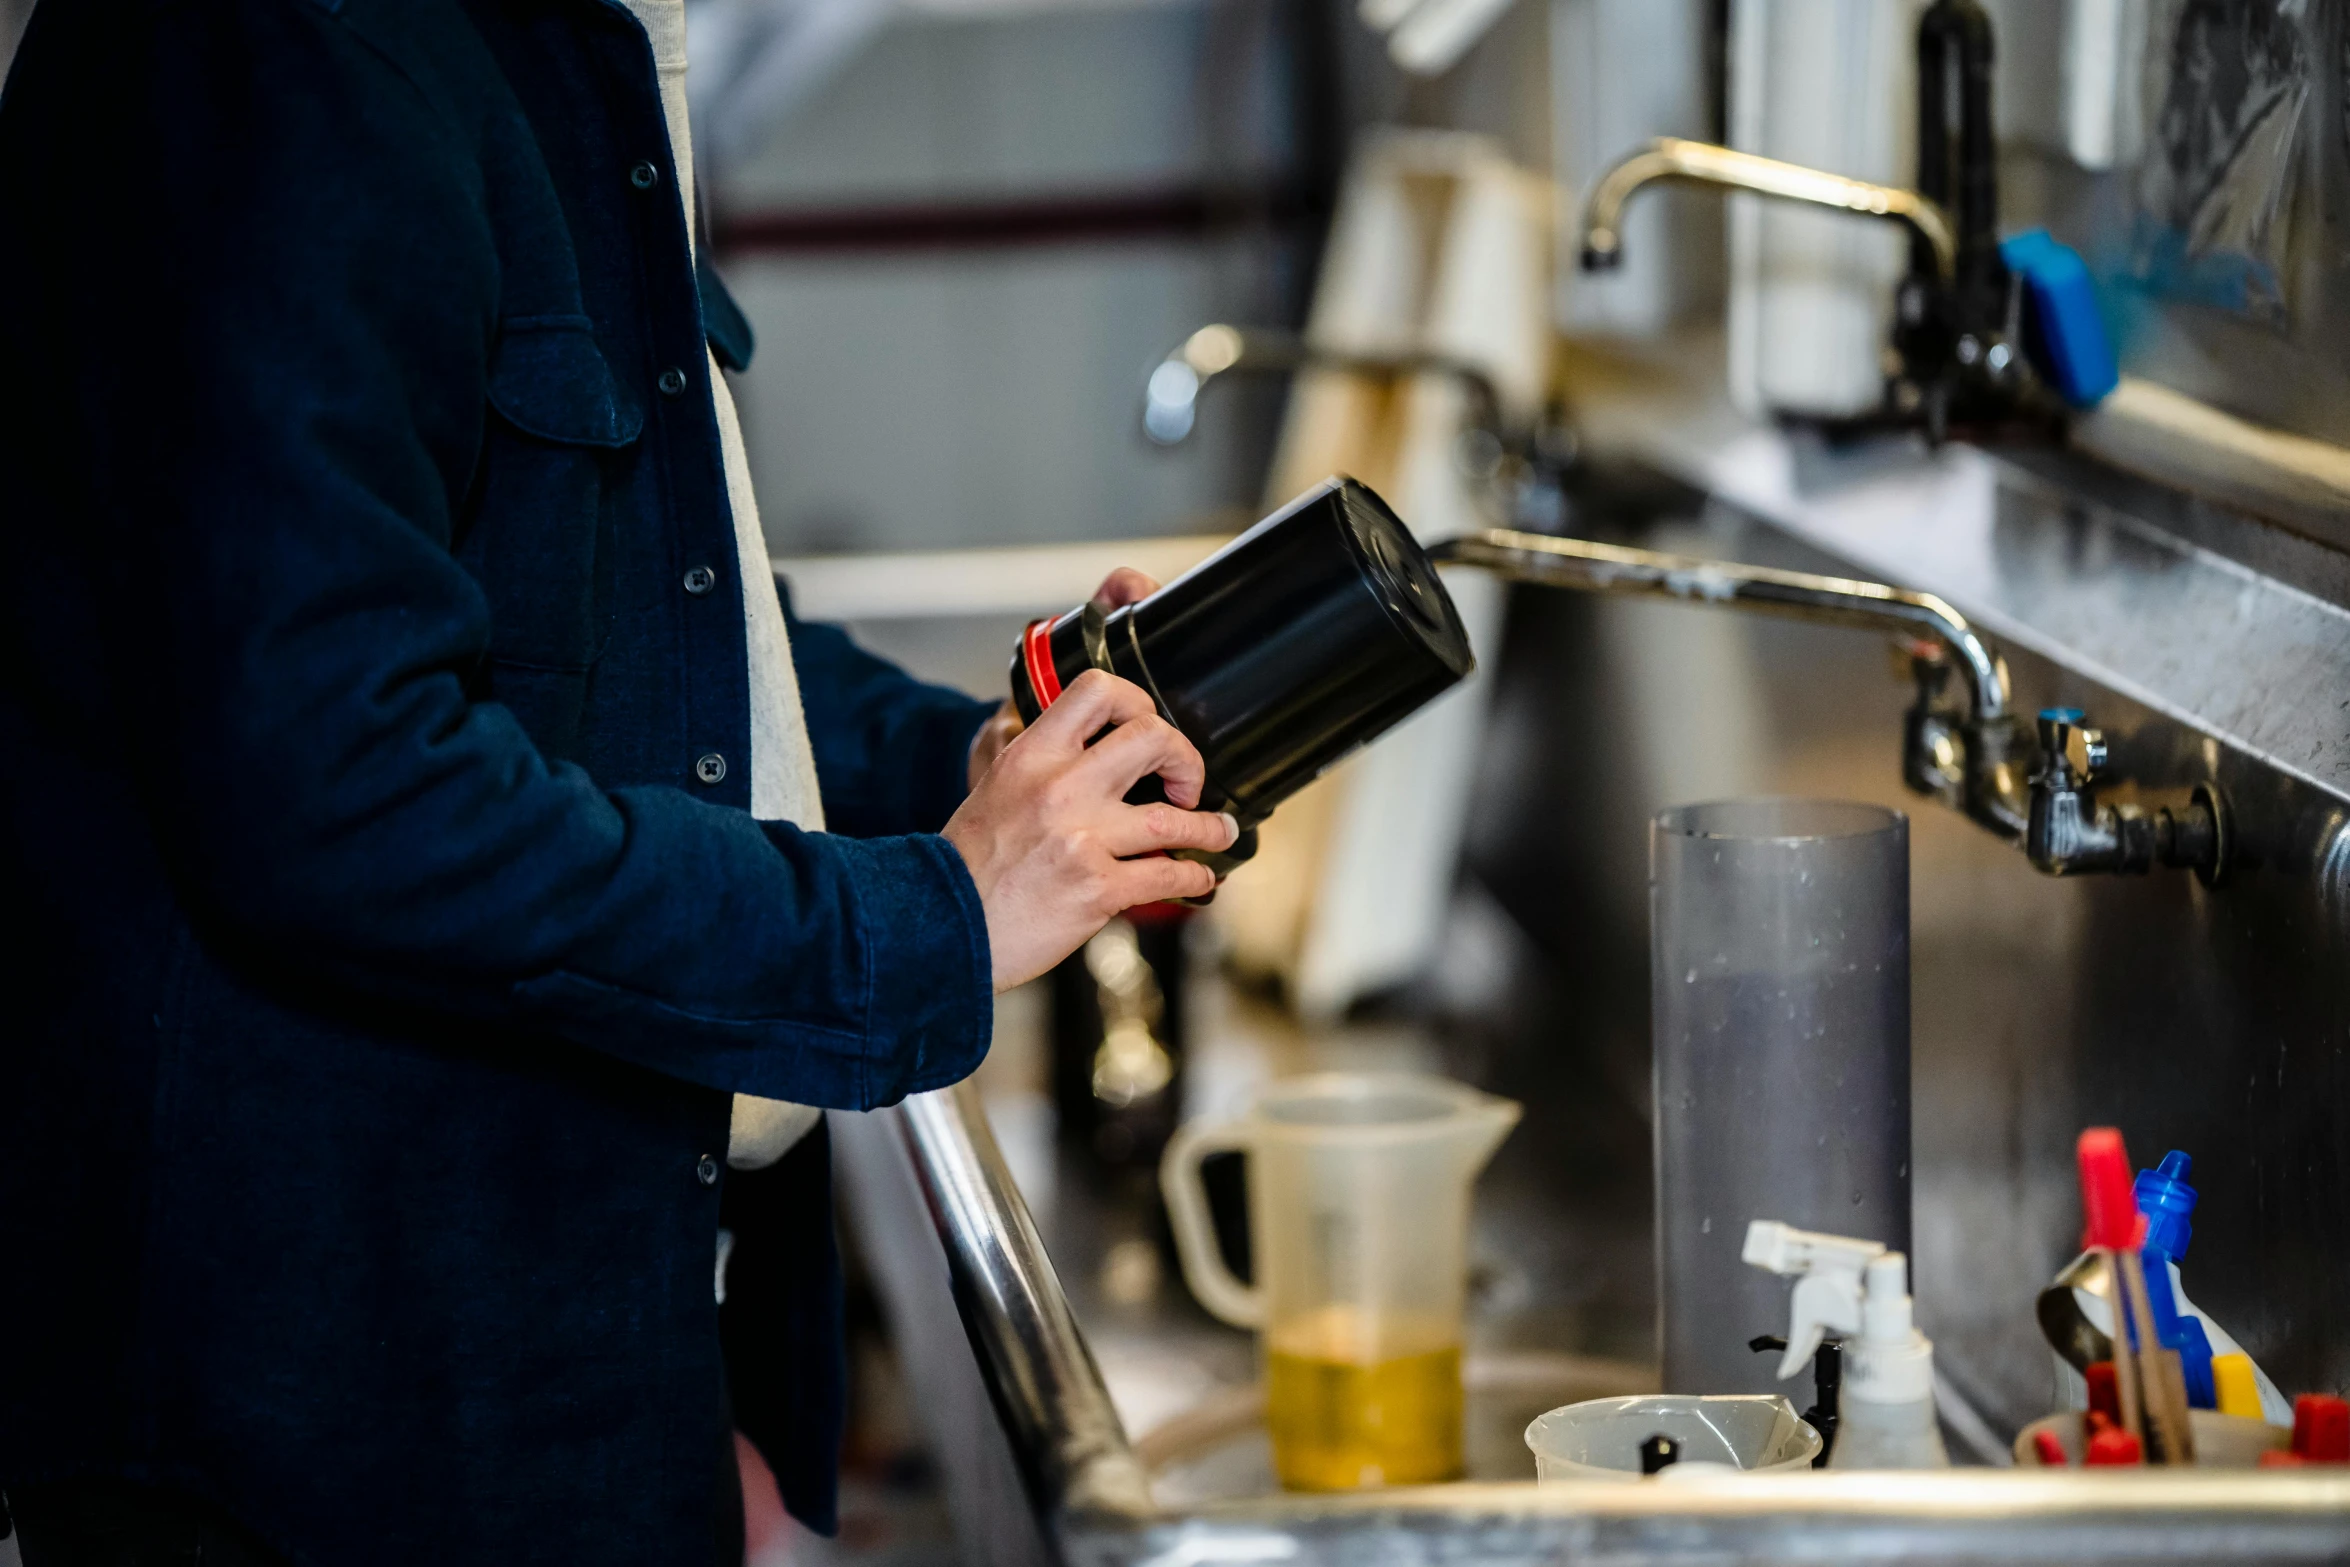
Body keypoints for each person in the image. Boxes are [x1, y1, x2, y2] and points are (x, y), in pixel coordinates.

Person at [0, 0, 1236, 1561]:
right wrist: (923, 914)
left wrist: (993, 770)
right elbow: (341, 783)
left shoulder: (548, 44)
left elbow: (663, 631)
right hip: (336, 1419)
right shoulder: (278, 47)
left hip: (558, 1345)